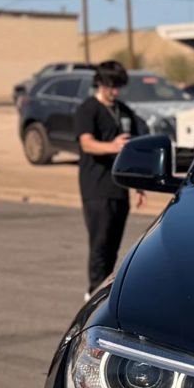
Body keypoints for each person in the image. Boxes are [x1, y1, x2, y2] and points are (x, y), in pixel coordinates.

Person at [75, 61, 147, 295]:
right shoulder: (88, 109)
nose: (115, 92)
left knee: (113, 246)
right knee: (100, 244)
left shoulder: (123, 111)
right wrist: (112, 146)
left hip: (119, 187)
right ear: (100, 83)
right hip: (95, 187)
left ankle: (104, 292)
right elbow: (86, 143)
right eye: (111, 86)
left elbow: (135, 145)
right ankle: (92, 292)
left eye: (119, 87)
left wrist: (139, 185)